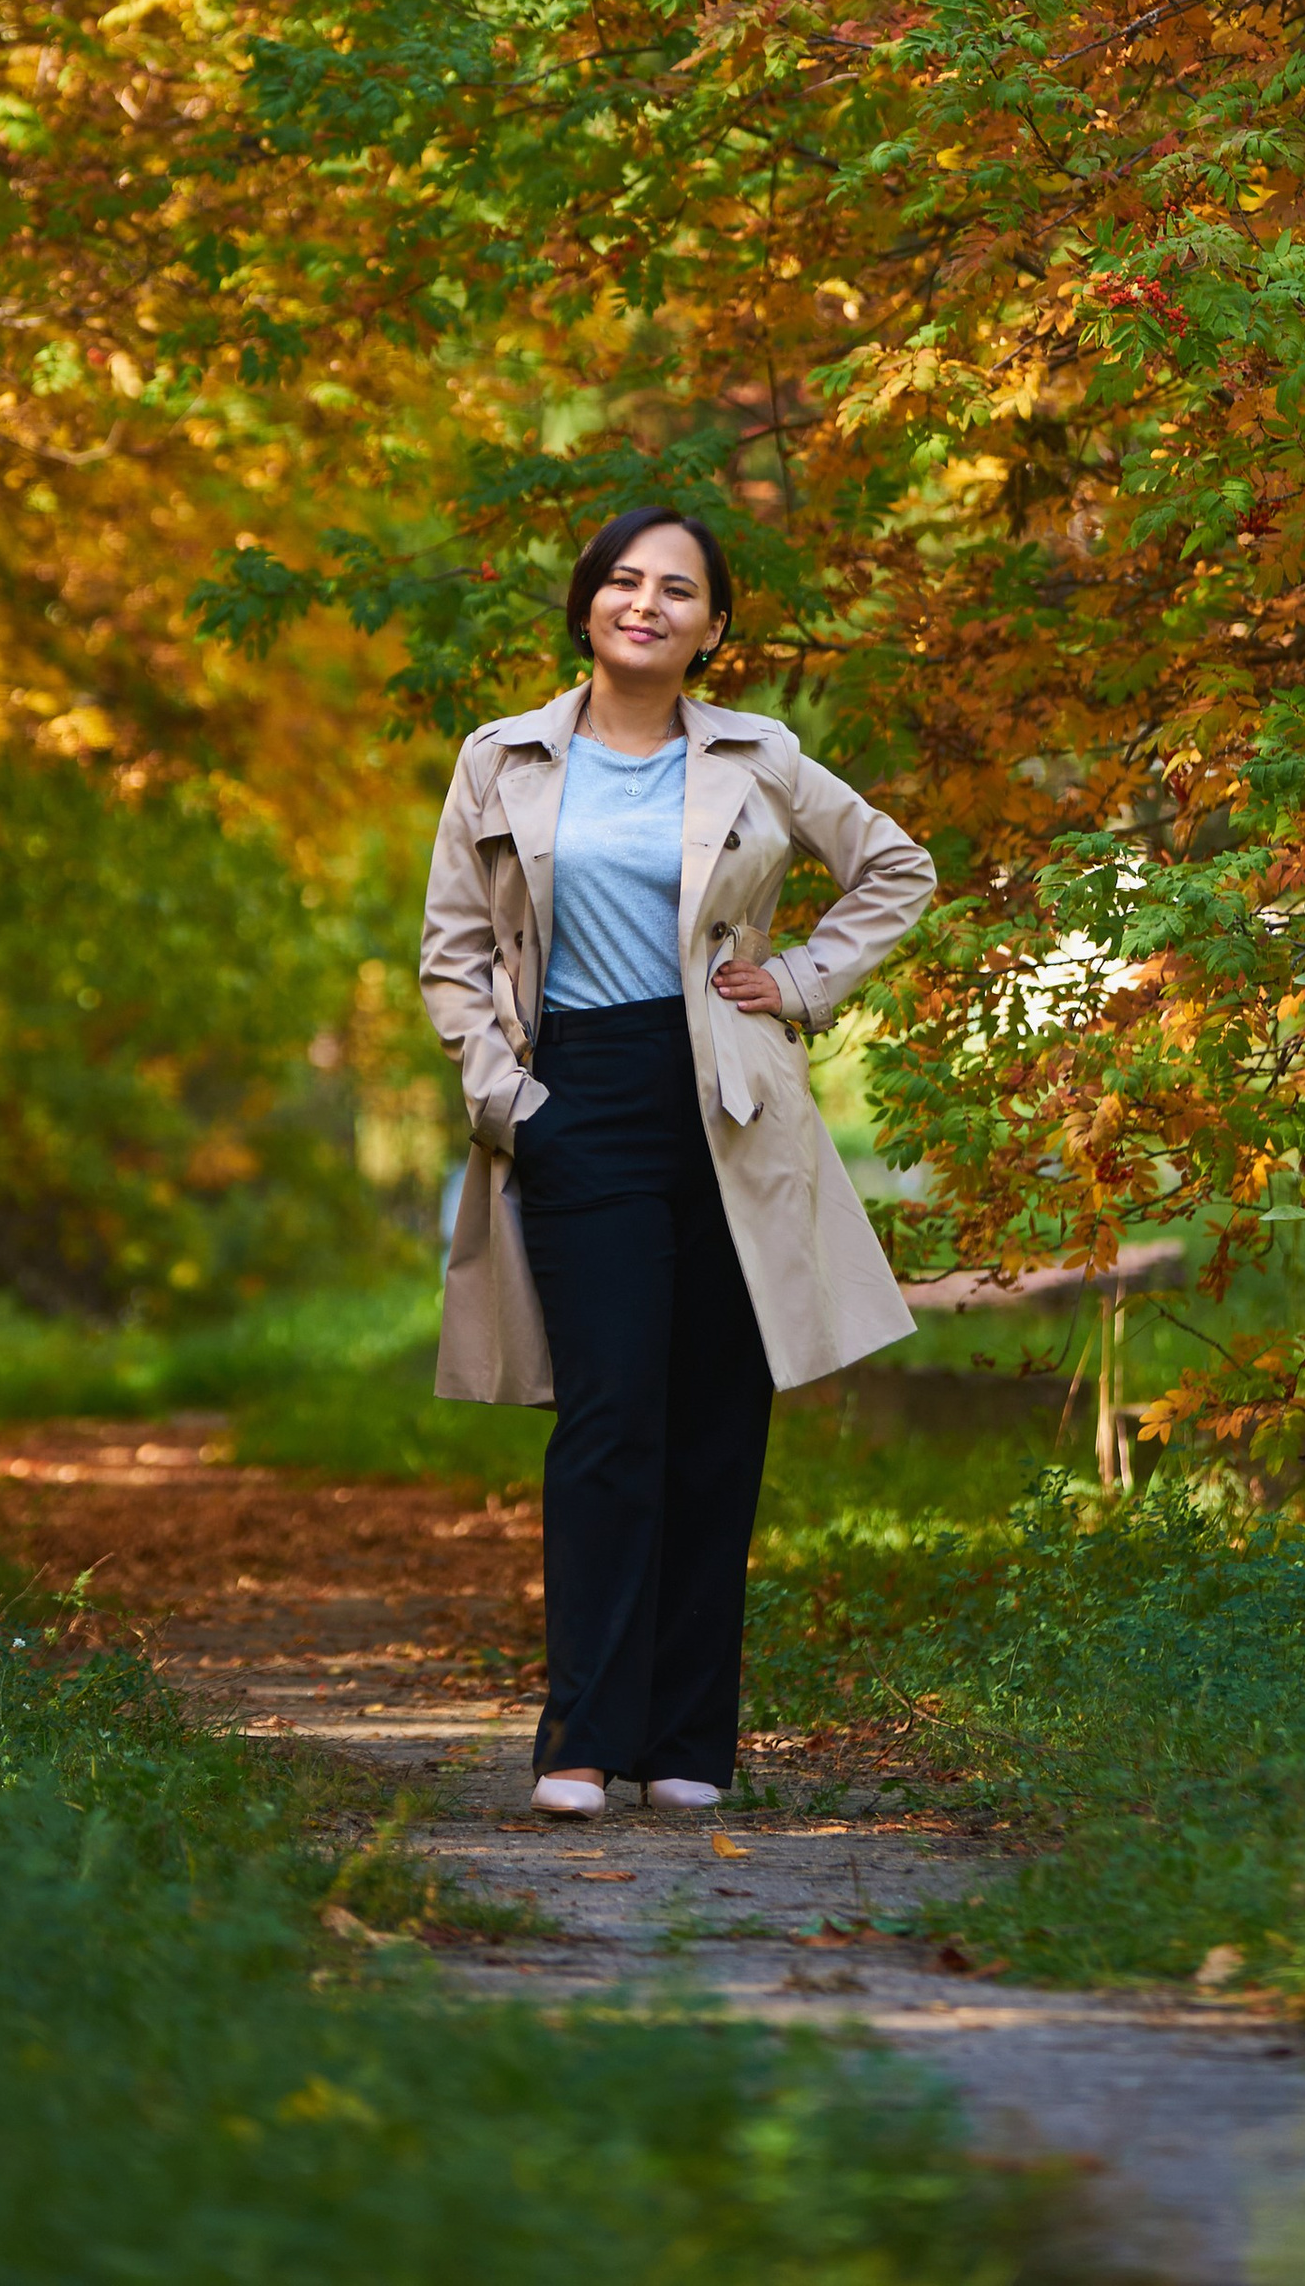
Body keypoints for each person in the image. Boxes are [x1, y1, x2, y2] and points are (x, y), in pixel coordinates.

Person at [421, 505, 932, 1815]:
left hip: (729, 1100)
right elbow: (455, 954)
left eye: (679, 590)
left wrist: (801, 982)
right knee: (608, 1418)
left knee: (716, 1415)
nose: (646, 603)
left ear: (713, 627)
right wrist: (511, 1103)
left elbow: (895, 869)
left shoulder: (760, 757)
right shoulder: (502, 759)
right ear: (589, 601)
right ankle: (583, 1742)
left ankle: (690, 1747)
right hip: (575, 1099)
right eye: (624, 580)